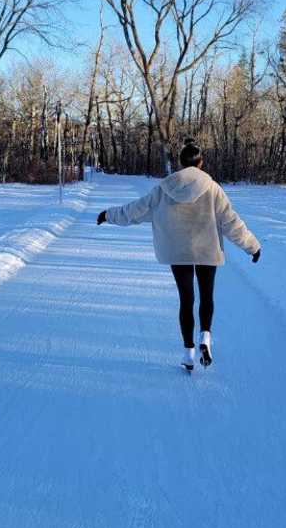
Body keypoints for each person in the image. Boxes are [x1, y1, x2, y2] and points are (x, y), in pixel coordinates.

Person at [97, 140, 261, 371]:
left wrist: (108, 215)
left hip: (178, 250)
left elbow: (136, 211)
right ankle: (205, 336)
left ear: (180, 163)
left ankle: (188, 353)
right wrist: (252, 247)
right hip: (206, 248)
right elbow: (230, 222)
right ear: (200, 163)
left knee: (186, 300)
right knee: (206, 296)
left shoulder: (164, 188)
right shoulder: (212, 188)